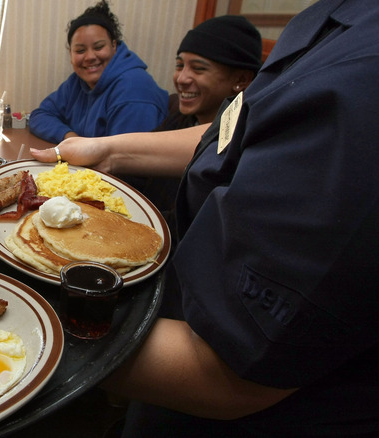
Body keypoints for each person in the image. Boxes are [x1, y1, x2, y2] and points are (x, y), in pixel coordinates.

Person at [33, 0, 379, 435]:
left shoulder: (366, 79)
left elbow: (228, 371)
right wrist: (109, 148)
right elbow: (243, 128)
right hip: (177, 331)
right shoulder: (328, 20)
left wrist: (27, 314)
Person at [141, 15, 263, 223]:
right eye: (180, 66)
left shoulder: (241, 149)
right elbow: (138, 169)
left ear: (241, 80)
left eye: (198, 69)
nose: (181, 79)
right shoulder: (179, 118)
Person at [27, 0, 168, 144]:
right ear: (70, 54)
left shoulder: (135, 89)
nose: (89, 57)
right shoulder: (77, 82)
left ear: (114, 45)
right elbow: (40, 115)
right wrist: (72, 138)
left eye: (99, 47)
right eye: (80, 50)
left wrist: (82, 148)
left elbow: (125, 160)